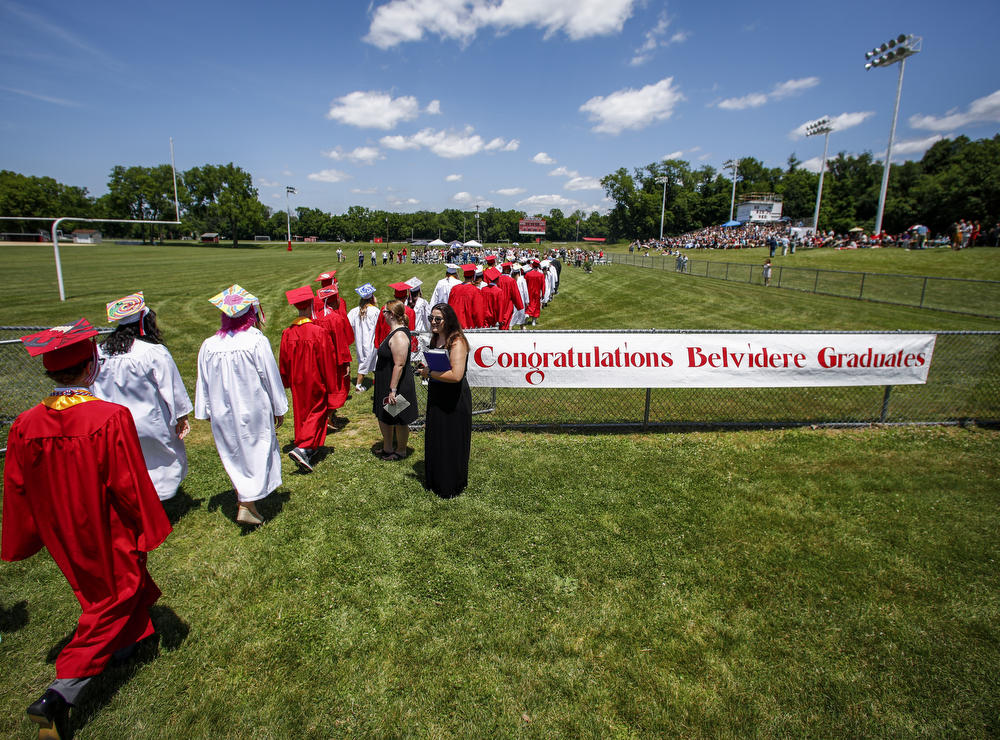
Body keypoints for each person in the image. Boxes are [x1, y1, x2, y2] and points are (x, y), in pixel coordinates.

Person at [3, 318, 172, 739]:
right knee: (118, 591)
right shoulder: (108, 417)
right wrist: (147, 521)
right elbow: (127, 482)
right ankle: (58, 695)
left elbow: (17, 487)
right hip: (106, 525)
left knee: (98, 589)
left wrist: (29, 531)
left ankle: (129, 644)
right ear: (92, 363)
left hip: (61, 530)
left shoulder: (25, 425)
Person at [195, 285, 287, 526]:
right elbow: (270, 375)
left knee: (233, 453)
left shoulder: (209, 344)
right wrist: (279, 407)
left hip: (222, 409)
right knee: (256, 450)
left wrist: (205, 409)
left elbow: (203, 381)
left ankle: (245, 501)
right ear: (250, 314)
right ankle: (246, 503)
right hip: (253, 406)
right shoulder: (256, 340)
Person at [93, 292, 193, 501]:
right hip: (149, 421)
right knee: (157, 463)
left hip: (111, 421)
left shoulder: (100, 352)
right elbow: (171, 387)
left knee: (124, 462)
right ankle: (156, 500)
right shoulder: (152, 351)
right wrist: (181, 415)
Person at [280, 286, 339, 473]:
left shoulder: (287, 333)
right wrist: (331, 384)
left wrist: (286, 379)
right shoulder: (317, 332)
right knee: (317, 410)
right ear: (311, 305)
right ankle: (304, 447)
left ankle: (309, 448)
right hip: (315, 378)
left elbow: (283, 360)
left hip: (296, 380)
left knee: (302, 412)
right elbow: (327, 360)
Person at [417, 304, 472, 498]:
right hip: (437, 394)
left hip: (454, 398)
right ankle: (435, 481)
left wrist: (429, 373)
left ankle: (450, 485)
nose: (433, 322)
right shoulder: (435, 339)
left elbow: (456, 375)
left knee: (451, 440)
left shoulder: (457, 341)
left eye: (438, 319)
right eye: (431, 318)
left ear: (448, 320)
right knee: (437, 436)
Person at [372, 300, 419, 461]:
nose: (383, 315)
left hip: (397, 384)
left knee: (399, 419)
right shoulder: (393, 332)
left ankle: (401, 450)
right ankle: (387, 447)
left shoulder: (399, 335)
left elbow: (399, 365)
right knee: (384, 415)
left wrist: (392, 390)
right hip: (386, 382)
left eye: (384, 312)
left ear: (391, 314)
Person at [312, 274, 354, 414]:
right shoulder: (335, 318)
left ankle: (323, 412)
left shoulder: (315, 315)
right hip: (333, 356)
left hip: (318, 355)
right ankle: (329, 415)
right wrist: (346, 362)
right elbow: (340, 342)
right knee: (335, 384)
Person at [348, 283, 379, 391]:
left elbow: (349, 326)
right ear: (372, 298)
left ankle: (381, 379)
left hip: (360, 341)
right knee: (366, 361)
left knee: (373, 361)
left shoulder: (354, 311)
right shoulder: (375, 311)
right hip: (371, 340)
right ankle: (358, 385)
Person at [448, 264, 485, 329]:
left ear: (464, 276)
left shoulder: (454, 289)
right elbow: (478, 312)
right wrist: (480, 326)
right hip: (468, 327)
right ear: (473, 277)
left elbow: (449, 307)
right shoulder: (475, 291)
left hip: (454, 326)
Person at [524, 259, 545, 325]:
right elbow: (543, 285)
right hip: (537, 293)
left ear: (532, 266)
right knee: (536, 306)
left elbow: (525, 284)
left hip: (529, 292)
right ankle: (534, 321)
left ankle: (527, 314)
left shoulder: (528, 274)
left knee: (528, 304)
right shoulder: (541, 275)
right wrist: (543, 293)